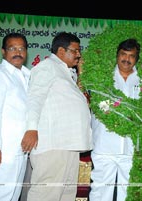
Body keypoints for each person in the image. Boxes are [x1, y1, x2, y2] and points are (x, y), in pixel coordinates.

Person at [21, 31, 92, 201]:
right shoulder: (47, 67)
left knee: (66, 194)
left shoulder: (67, 72)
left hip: (69, 145)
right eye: (75, 51)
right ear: (61, 52)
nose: (79, 54)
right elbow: (34, 99)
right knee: (47, 193)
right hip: (53, 145)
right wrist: (31, 129)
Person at [89, 38, 141, 201]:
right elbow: (99, 105)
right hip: (105, 145)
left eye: (132, 56)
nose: (127, 59)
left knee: (129, 194)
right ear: (117, 56)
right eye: (123, 54)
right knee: (100, 192)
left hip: (131, 147)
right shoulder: (102, 78)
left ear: (137, 59)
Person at [0, 32, 30, 201]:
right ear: (3, 52)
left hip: (20, 150)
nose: (18, 52)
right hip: (3, 151)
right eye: (12, 48)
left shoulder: (26, 75)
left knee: (13, 196)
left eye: (21, 48)